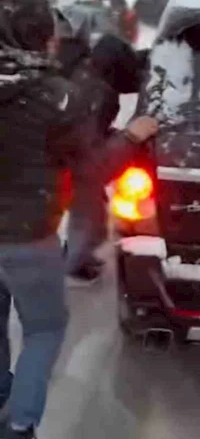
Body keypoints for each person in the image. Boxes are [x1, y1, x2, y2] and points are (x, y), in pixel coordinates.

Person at [0, 0, 157, 439]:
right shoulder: (56, 100)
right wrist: (131, 137)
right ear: (42, 38)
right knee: (46, 327)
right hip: (27, 236)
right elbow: (91, 170)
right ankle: (18, 425)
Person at [58, 29, 149, 284]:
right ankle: (73, 264)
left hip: (52, 159)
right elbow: (94, 166)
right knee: (89, 205)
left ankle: (77, 257)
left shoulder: (84, 77)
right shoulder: (93, 95)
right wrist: (130, 138)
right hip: (59, 166)